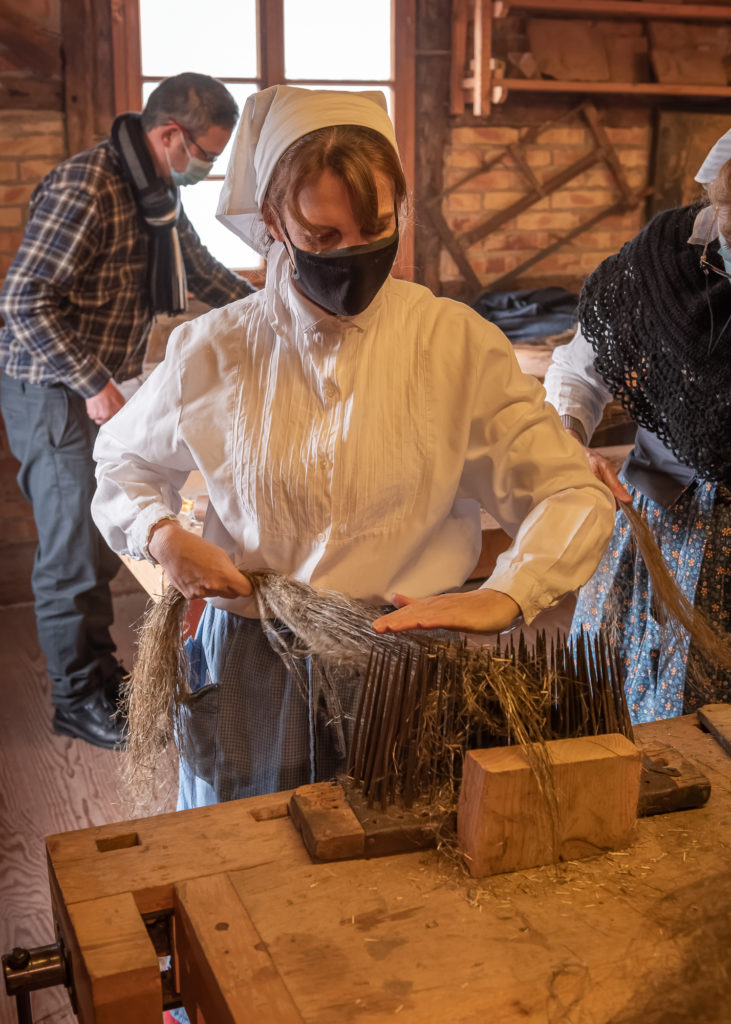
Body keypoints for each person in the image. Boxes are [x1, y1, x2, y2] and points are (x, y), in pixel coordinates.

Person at [91, 85, 615, 811]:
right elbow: (122, 461)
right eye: (324, 238)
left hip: (403, 657)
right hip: (255, 659)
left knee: (400, 854)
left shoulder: (451, 342)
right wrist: (163, 534)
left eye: (376, 231)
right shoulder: (215, 350)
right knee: (247, 855)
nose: (355, 259)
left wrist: (511, 591)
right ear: (272, 218)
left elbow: (567, 491)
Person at [0, 73, 255, 750]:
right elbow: (24, 300)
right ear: (169, 134)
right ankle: (74, 698)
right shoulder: (88, 184)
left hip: (97, 382)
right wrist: (93, 384)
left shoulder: (156, 195)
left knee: (98, 545)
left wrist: (276, 311)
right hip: (54, 389)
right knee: (73, 554)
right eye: (204, 152)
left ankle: (100, 673)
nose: (206, 168)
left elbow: (201, 272)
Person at [542, 135, 731, 725]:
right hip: (659, 522)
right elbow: (580, 369)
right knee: (622, 711)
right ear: (719, 201)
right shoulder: (662, 262)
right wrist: (567, 440)